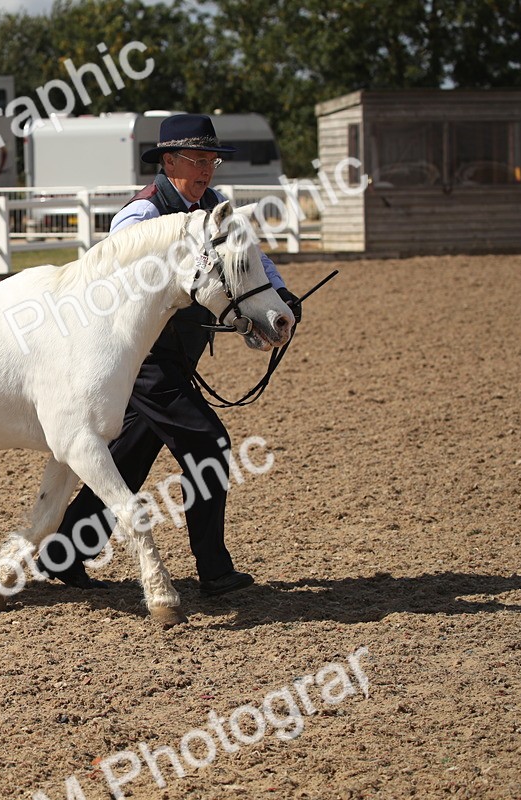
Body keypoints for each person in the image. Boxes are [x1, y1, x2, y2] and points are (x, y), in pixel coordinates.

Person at [38, 113, 302, 597]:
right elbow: (115, 288)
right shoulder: (140, 215)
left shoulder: (215, 207)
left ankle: (63, 553)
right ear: (169, 161)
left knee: (127, 459)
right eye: (197, 159)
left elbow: (253, 259)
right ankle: (215, 571)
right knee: (209, 447)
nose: (206, 170)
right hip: (143, 362)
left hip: (177, 354)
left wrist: (280, 297)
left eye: (212, 160)